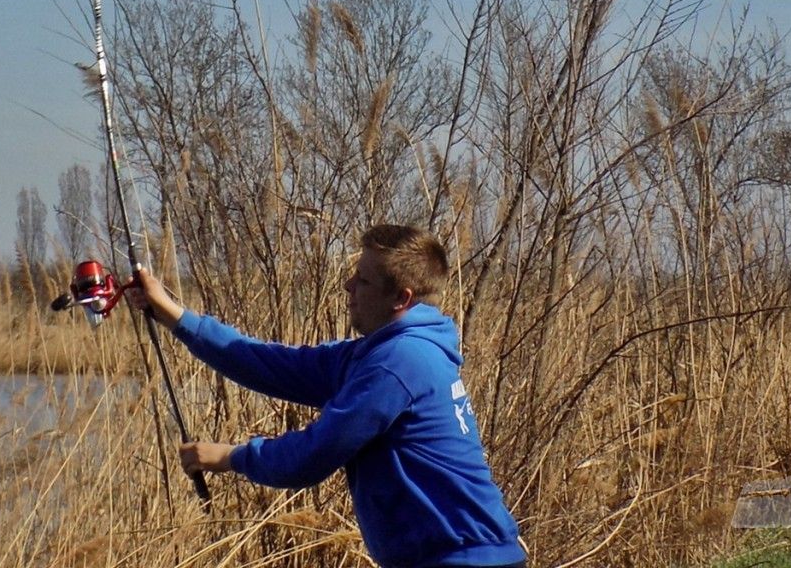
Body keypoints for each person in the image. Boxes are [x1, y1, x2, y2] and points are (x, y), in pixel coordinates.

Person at [127, 223, 526, 568]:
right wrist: (174, 315)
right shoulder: (377, 354)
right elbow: (271, 364)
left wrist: (233, 457)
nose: (349, 286)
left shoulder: (400, 362)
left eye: (364, 280)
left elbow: (314, 454)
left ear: (401, 298)